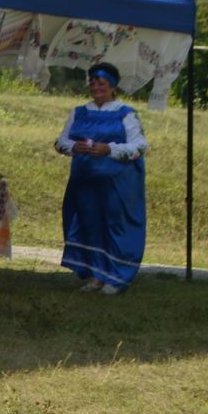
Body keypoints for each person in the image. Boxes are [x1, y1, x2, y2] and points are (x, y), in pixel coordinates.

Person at [55, 62, 147, 295]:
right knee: (91, 226)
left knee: (115, 227)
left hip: (117, 184)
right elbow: (60, 142)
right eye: (93, 83)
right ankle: (96, 275)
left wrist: (109, 149)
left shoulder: (125, 114)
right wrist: (74, 146)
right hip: (86, 182)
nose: (96, 87)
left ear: (113, 87)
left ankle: (115, 277)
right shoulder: (79, 112)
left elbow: (140, 146)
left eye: (101, 83)